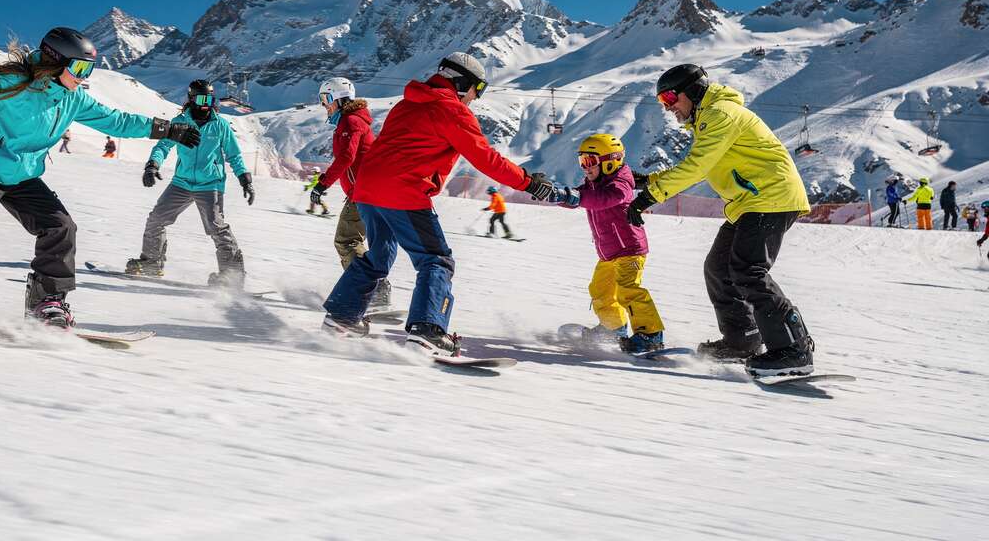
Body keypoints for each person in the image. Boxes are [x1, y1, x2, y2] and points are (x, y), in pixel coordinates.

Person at [0, 27, 200, 326]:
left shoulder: (74, 98)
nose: (83, 77)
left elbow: (117, 121)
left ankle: (47, 303)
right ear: (56, 63)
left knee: (60, 227)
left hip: (25, 175)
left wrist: (167, 129)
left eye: (88, 70)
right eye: (79, 69)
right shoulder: (16, 83)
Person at [321, 52, 556, 355]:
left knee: (378, 256)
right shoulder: (452, 110)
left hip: (366, 191)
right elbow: (486, 158)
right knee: (435, 260)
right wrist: (530, 183)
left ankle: (342, 317)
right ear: (462, 84)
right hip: (404, 192)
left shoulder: (406, 103)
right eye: (478, 89)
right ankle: (428, 329)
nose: (476, 97)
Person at [626, 64, 815, 377]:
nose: (668, 106)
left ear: (694, 90)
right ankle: (742, 339)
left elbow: (698, 166)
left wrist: (650, 196)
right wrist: (648, 181)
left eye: (671, 96)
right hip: (749, 202)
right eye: (662, 101)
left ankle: (794, 349)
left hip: (771, 197)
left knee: (748, 270)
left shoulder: (719, 114)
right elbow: (698, 164)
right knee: (718, 267)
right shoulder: (708, 118)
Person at [126, 80, 254, 288]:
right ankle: (151, 262)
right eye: (202, 99)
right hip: (182, 183)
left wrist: (244, 179)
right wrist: (152, 165)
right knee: (157, 219)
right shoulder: (180, 123)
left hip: (210, 184)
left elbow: (234, 155)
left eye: (210, 100)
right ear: (191, 99)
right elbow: (163, 146)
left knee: (217, 227)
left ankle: (232, 275)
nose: (206, 104)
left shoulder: (220, 125)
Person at [553, 134, 665, 353]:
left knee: (628, 290)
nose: (585, 167)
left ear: (610, 161)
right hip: (608, 253)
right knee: (600, 291)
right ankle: (613, 328)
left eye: (590, 161)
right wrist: (556, 194)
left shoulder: (619, 184)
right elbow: (577, 198)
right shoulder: (593, 184)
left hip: (629, 250)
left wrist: (577, 197)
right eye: (582, 161)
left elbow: (605, 199)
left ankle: (650, 334)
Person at [307, 77, 391, 309]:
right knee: (352, 240)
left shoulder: (350, 121)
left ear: (337, 98)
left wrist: (322, 185)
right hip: (367, 190)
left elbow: (346, 157)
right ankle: (375, 290)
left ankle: (371, 291)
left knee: (346, 240)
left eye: (326, 99)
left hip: (363, 192)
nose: (324, 106)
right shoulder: (354, 120)